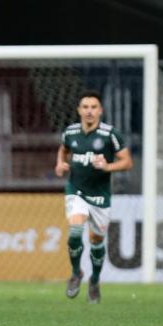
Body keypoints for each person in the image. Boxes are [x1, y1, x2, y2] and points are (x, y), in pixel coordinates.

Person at [55, 90, 132, 304]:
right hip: (76, 190)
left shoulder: (110, 134)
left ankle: (95, 280)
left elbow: (127, 162)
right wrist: (60, 163)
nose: (89, 111)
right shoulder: (70, 132)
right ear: (79, 110)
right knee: (75, 230)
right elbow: (63, 150)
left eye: (93, 107)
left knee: (96, 241)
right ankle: (76, 272)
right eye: (85, 107)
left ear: (100, 111)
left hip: (100, 195)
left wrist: (108, 166)